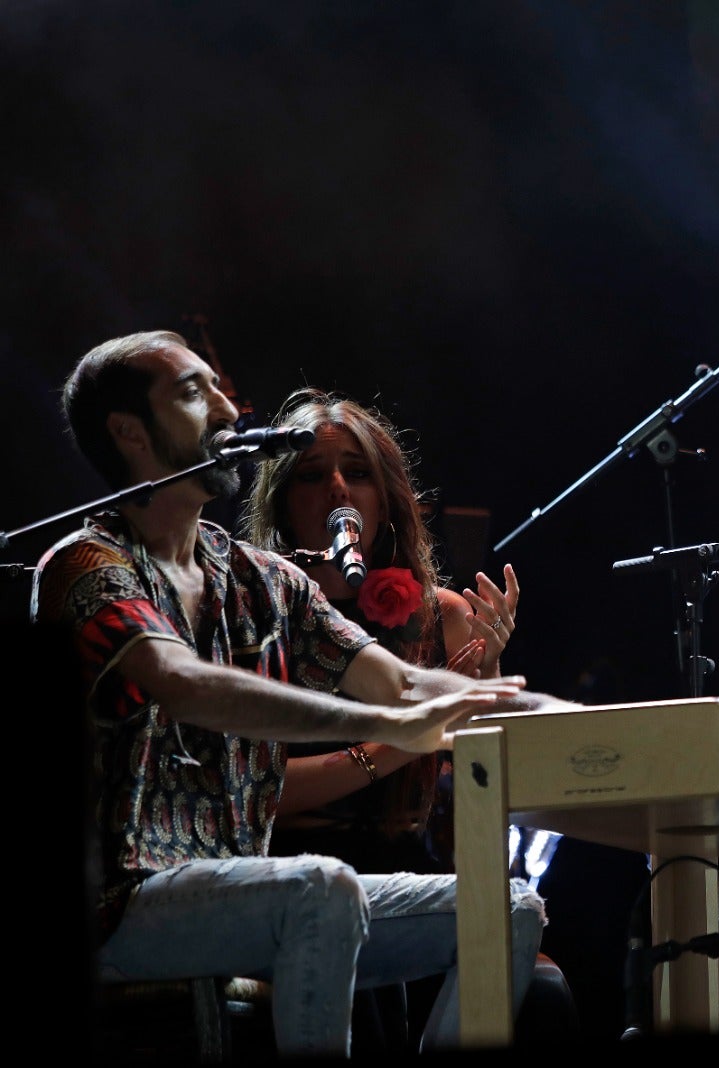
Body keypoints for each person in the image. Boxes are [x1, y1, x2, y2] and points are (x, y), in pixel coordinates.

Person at [34, 329, 574, 1058]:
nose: (229, 406)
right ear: (130, 432)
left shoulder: (264, 578)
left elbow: (408, 679)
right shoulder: (88, 566)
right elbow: (184, 684)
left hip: (251, 897)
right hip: (122, 908)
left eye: (220, 386)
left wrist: (547, 712)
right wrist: (395, 726)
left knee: (509, 912)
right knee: (322, 885)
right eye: (195, 391)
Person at [238, 387, 524, 1049]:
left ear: (386, 497)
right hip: (291, 869)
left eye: (358, 472)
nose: (337, 487)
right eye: (312, 475)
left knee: (524, 961)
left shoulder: (441, 616)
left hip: (408, 862)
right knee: (350, 962)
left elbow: (474, 780)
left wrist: (479, 681)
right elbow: (261, 795)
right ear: (283, 499)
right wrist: (401, 741)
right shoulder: (249, 615)